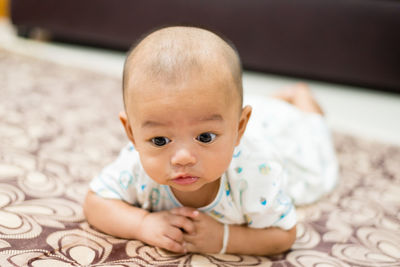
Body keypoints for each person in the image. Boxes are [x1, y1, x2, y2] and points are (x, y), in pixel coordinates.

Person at [83, 26, 338, 256]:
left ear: (240, 128)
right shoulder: (136, 165)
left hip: (277, 144)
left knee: (311, 148)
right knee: (226, 111)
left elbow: (284, 234)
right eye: (160, 140)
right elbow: (96, 201)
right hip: (230, 121)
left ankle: (302, 98)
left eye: (205, 137)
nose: (183, 157)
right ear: (131, 133)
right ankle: (268, 105)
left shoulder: (256, 176)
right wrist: (142, 224)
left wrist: (224, 239)